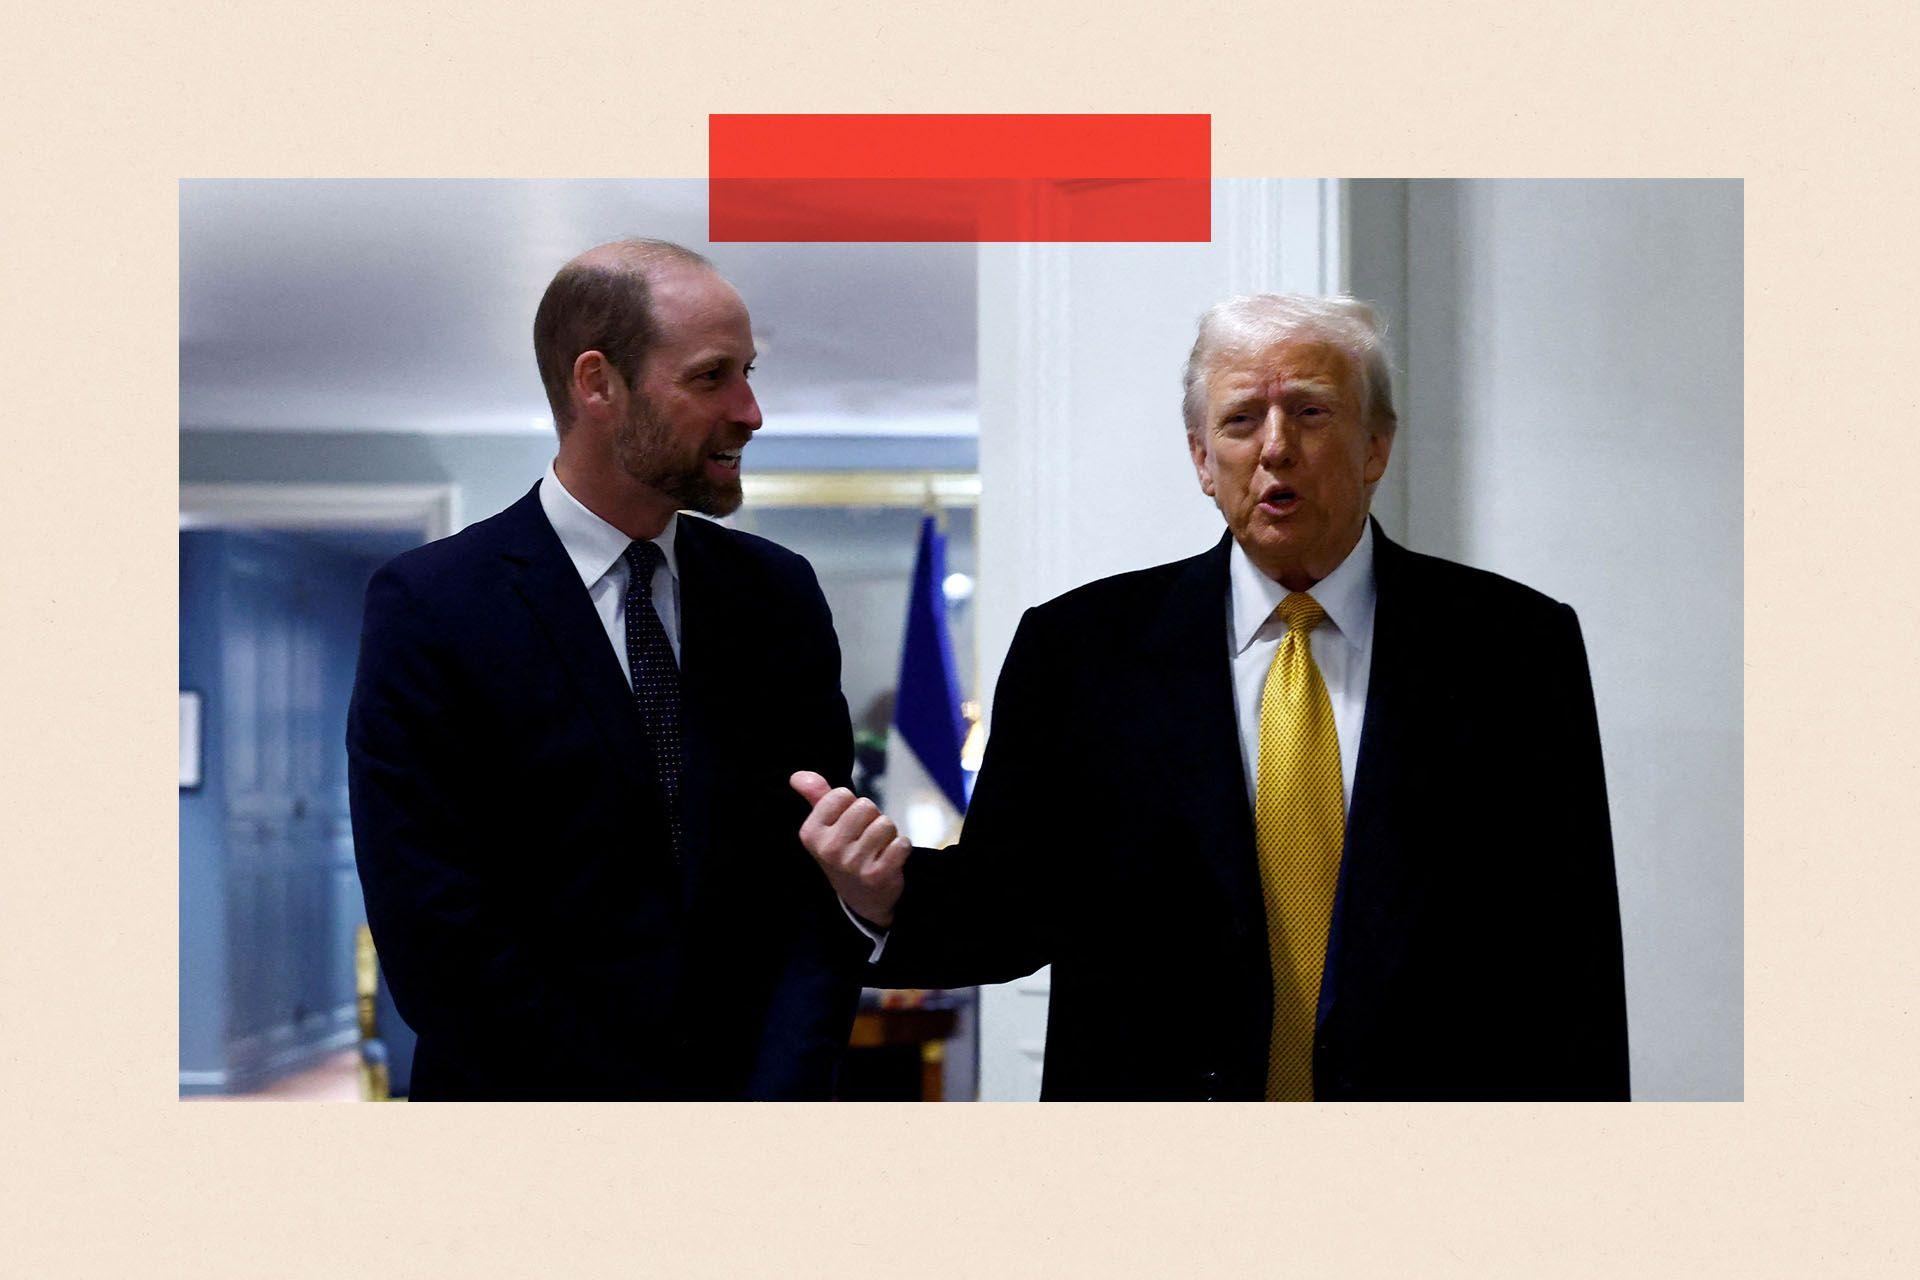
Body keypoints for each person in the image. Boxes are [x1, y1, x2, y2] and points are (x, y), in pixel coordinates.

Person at [793, 293, 1630, 1101]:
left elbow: (1569, 951)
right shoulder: (1081, 650)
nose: (1275, 447)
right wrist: (887, 896)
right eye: (1240, 421)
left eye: (1310, 412)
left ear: (1376, 446)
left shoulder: (1514, 646)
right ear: (1202, 458)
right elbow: (1016, 906)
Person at [348, 238, 862, 1099]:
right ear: (597, 384)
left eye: (750, 372)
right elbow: (436, 930)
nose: (751, 410)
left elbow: (817, 887)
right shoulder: (432, 605)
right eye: (711, 377)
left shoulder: (778, 594)